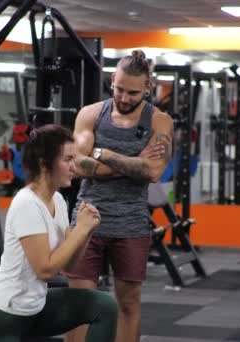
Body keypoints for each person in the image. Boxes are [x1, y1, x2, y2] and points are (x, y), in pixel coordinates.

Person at [64, 50, 173, 342]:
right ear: (113, 79)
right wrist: (133, 162)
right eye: (120, 89)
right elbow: (76, 164)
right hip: (87, 221)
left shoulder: (160, 122)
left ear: (147, 88)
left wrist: (103, 153)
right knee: (80, 307)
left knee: (127, 305)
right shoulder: (90, 114)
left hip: (131, 225)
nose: (124, 98)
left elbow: (152, 173)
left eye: (133, 93)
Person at [0, 124, 118, 342]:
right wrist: (81, 229)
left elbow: (69, 266)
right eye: (67, 160)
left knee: (104, 307)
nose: (74, 166)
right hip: (3, 321)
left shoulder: (57, 200)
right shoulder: (26, 204)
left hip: (36, 310)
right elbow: (46, 270)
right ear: (43, 164)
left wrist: (86, 232)